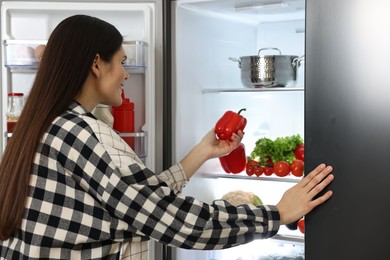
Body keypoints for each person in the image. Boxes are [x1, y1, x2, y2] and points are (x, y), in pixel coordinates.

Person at [0, 15, 334, 260]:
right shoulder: (88, 135)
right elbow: (173, 222)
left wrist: (202, 153)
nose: (126, 74)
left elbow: (130, 201)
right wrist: (277, 214)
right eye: (122, 62)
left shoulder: (47, 123)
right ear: (96, 65)